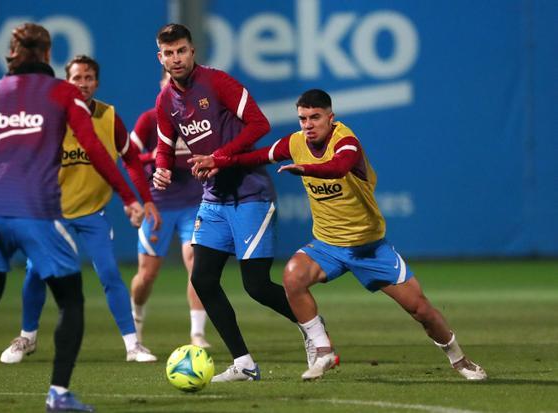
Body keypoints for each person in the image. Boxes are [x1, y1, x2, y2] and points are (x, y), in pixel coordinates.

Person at [189, 89, 488, 381]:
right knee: (293, 276)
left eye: (315, 118)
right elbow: (256, 157)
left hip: (368, 248)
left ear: (331, 117)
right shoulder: (295, 142)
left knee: (420, 309)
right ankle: (323, 349)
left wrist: (306, 168)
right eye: (302, 119)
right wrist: (218, 161)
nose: (308, 125)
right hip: (327, 246)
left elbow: (339, 167)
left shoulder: (346, 140)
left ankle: (458, 358)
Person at [0, 23, 143, 412]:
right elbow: (96, 149)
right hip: (38, 214)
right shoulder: (63, 94)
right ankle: (59, 394)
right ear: (49, 56)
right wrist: (128, 196)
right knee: (71, 303)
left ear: (11, 53)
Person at [152, 23, 298, 382]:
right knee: (202, 278)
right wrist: (161, 171)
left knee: (257, 286)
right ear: (161, 57)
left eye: (181, 50)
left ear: (193, 51)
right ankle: (244, 363)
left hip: (249, 191)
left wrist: (220, 155)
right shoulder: (164, 101)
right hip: (214, 198)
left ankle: (312, 328)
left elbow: (259, 124)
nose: (176, 58)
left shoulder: (217, 82)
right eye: (168, 53)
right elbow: (164, 148)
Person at [0, 55, 160, 366]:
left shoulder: (109, 116)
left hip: (92, 213)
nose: (83, 83)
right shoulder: (49, 116)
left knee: (109, 273)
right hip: (52, 214)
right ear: (66, 81)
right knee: (35, 272)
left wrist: (142, 198)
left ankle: (133, 345)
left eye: (88, 78)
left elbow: (130, 159)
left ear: (96, 82)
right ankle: (27, 338)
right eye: (77, 78)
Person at [129, 71, 210, 349]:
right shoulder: (150, 119)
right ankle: (136, 323)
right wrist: (152, 158)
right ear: (162, 85)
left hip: (193, 202)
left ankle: (197, 334)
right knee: (147, 274)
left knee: (197, 265)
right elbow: (128, 157)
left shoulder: (200, 119)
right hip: (159, 205)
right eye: (168, 81)